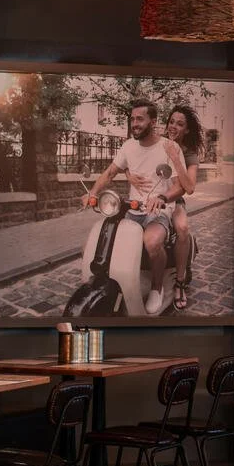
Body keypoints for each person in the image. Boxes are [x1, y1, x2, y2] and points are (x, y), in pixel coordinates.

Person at [82, 99, 181, 315]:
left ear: (152, 121)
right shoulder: (128, 146)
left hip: (158, 210)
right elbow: (110, 172)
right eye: (132, 119)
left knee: (152, 241)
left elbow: (179, 186)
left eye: (140, 119)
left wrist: (162, 197)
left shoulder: (169, 148)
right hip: (133, 209)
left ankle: (156, 286)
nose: (134, 123)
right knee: (106, 236)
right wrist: (92, 192)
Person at [128, 104, 203, 311]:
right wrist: (129, 176)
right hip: (151, 199)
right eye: (171, 122)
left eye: (180, 124)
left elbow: (189, 187)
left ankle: (179, 282)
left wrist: (176, 158)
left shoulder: (189, 153)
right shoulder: (157, 142)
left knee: (182, 228)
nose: (173, 127)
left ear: (187, 130)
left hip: (174, 200)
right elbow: (132, 160)